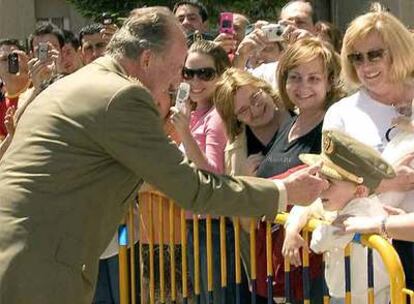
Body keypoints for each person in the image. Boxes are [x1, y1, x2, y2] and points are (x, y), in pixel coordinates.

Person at [0, 7, 328, 304]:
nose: (179, 81)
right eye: (176, 69)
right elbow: (192, 189)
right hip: (37, 269)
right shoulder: (122, 96)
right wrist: (284, 191)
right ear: (146, 60)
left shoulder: (83, 82)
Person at [322, 2, 414, 291]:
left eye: (374, 54)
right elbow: (329, 187)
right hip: (374, 250)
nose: (365, 65)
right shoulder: (341, 113)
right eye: (356, 57)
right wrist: (384, 182)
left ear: (397, 51)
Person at [287, 130, 394, 304]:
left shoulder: (360, 213)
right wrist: (292, 228)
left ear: (359, 190)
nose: (320, 187)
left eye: (328, 182)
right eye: (318, 178)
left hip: (365, 298)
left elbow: (318, 243)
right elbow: (306, 204)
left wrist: (322, 229)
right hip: (348, 295)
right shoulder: (344, 200)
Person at [170, 39, 233, 303]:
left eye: (205, 74)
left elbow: (214, 175)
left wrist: (184, 133)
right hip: (196, 225)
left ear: (221, 75)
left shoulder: (217, 116)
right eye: (189, 73)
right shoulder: (195, 113)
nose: (196, 81)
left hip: (213, 228)